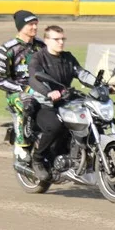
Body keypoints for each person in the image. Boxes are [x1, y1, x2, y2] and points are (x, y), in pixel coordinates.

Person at [26, 25, 99, 182]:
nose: (60, 42)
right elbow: (34, 79)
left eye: (62, 39)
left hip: (67, 102)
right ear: (46, 40)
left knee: (89, 120)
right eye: (56, 39)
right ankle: (37, 159)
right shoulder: (38, 58)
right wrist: (48, 92)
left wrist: (101, 85)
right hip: (45, 104)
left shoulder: (68, 57)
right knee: (55, 126)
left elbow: (82, 74)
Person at [0, 10, 45, 163]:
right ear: (21, 27)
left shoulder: (42, 46)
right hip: (17, 93)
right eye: (31, 24)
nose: (35, 27)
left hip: (42, 91)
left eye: (36, 24)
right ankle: (21, 145)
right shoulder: (7, 50)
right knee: (27, 104)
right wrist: (24, 89)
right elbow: (0, 80)